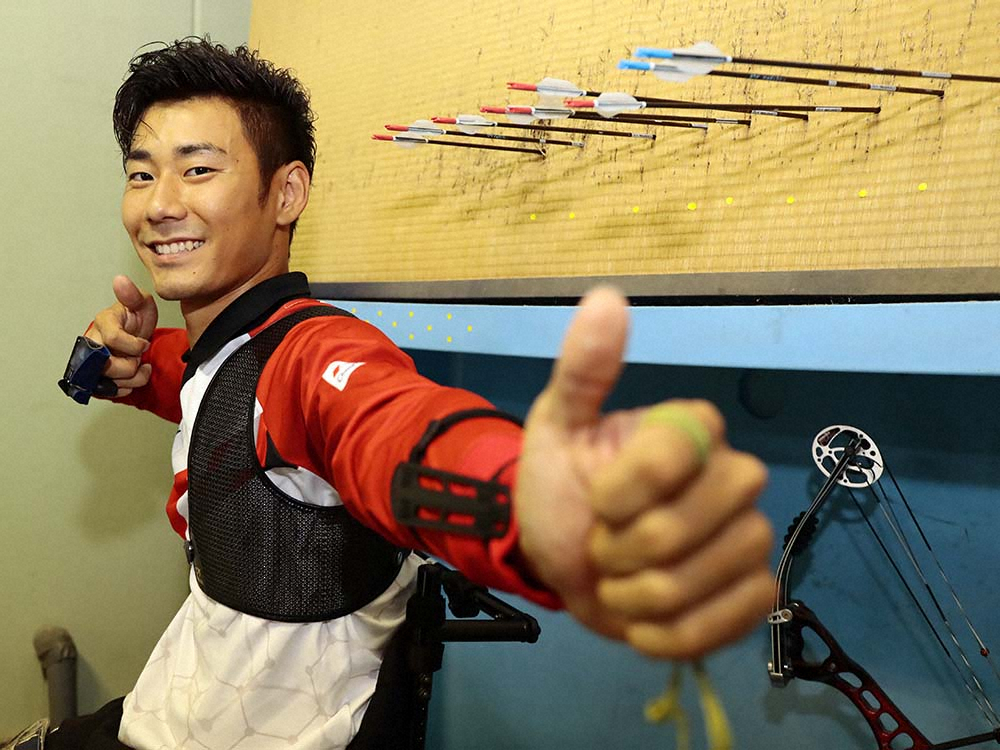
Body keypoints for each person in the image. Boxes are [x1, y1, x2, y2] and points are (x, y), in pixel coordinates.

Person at [38, 38, 773, 750]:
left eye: (198, 170)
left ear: (285, 193)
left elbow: (391, 428)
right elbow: (196, 379)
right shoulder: (231, 351)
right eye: (141, 175)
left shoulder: (314, 357)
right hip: (167, 707)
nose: (160, 204)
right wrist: (112, 362)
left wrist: (532, 510)